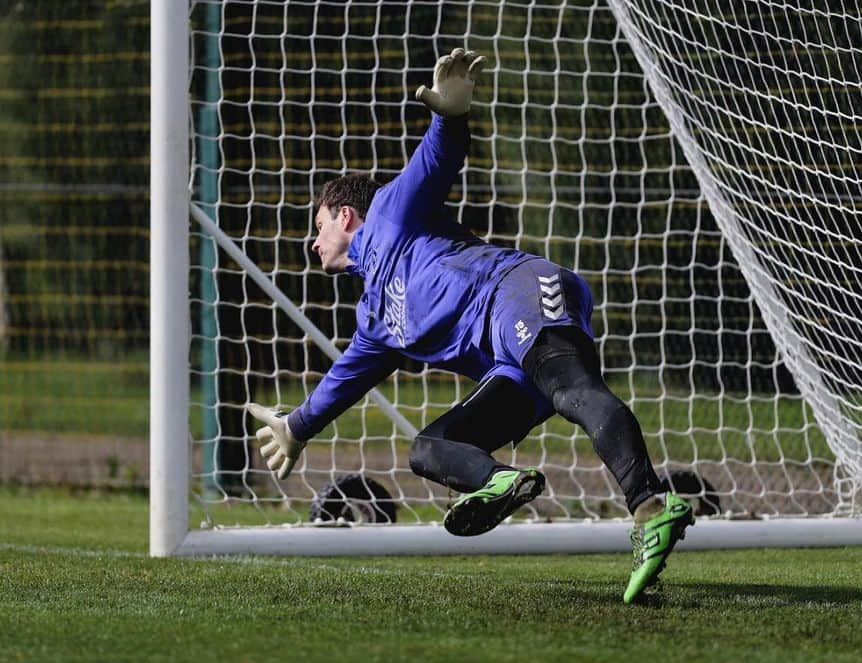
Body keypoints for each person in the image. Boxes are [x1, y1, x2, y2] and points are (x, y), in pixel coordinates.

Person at [246, 48, 694, 604]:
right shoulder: (374, 320)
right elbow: (347, 379)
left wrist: (450, 115)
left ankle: (650, 505)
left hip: (520, 292)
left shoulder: (388, 211)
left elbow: (434, 161)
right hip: (508, 363)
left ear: (344, 214)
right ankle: (498, 482)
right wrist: (297, 428)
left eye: (318, 226)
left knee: (572, 389)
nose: (313, 243)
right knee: (430, 449)